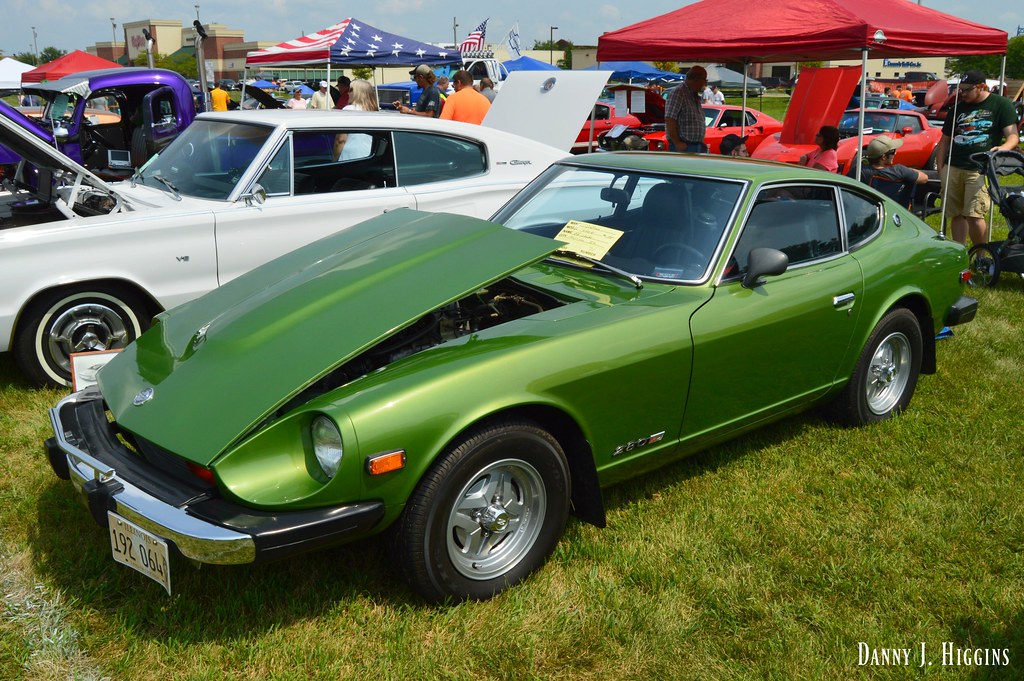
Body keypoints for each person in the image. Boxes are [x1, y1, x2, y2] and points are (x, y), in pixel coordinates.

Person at [936, 70, 1020, 245]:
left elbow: (1013, 137)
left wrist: (1002, 148)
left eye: (966, 90)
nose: (962, 94)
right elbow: (944, 140)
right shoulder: (957, 108)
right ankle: (961, 252)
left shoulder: (1001, 104)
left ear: (981, 87)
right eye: (961, 90)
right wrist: (941, 168)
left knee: (974, 214)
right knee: (956, 214)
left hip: (979, 169)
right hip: (954, 167)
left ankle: (981, 255)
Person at [850, 136, 927, 207]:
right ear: (883, 157)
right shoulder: (900, 171)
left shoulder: (858, 171)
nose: (895, 153)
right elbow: (924, 178)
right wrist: (909, 170)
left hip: (867, 210)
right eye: (893, 152)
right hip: (896, 212)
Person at [665, 65, 709, 153]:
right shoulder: (679, 93)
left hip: (695, 146)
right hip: (685, 147)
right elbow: (669, 119)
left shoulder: (693, 95)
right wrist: (677, 143)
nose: (705, 83)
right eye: (704, 80)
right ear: (697, 79)